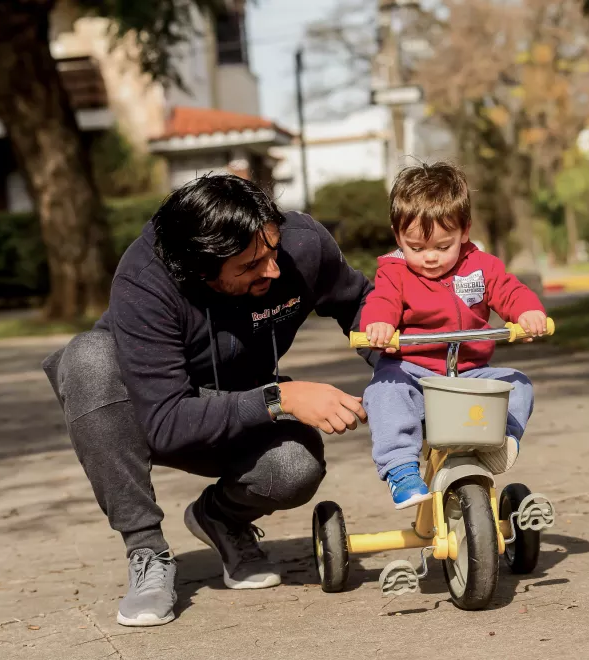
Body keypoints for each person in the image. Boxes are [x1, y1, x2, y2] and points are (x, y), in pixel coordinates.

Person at [41, 175, 374, 627]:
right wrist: (281, 398)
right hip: (149, 408)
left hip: (236, 401)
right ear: (203, 269)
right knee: (88, 360)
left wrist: (404, 372)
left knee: (296, 467)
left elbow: (360, 304)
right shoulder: (145, 283)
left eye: (272, 250)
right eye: (251, 265)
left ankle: (220, 518)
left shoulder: (301, 245)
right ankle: (146, 551)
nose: (272, 270)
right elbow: (166, 423)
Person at [359, 162, 548, 509]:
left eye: (442, 246)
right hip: (413, 370)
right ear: (398, 236)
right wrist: (379, 325)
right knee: (384, 393)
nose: (429, 258)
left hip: (469, 371)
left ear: (464, 231)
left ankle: (500, 442)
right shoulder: (394, 272)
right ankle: (400, 467)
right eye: (416, 247)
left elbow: (508, 291)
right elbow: (381, 301)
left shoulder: (482, 266)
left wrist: (527, 312)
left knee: (516, 383)